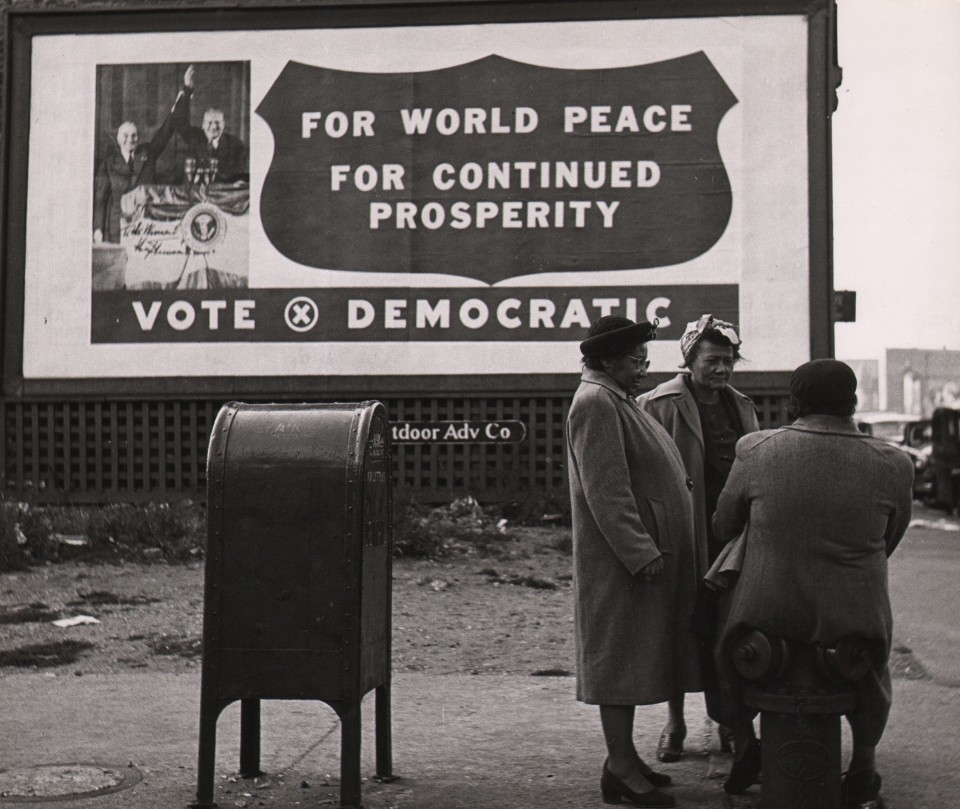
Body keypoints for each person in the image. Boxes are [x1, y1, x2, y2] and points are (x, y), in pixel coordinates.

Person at [710, 359, 913, 804]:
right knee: (872, 672)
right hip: (854, 618)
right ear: (853, 402)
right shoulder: (894, 462)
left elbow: (724, 526)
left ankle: (745, 745)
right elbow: (889, 537)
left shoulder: (756, 450)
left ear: (794, 403)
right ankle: (863, 764)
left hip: (767, 618)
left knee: (723, 644)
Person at [566, 315, 701, 808]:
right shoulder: (596, 403)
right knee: (618, 663)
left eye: (645, 357)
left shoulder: (614, 397)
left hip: (637, 558)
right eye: (634, 359)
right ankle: (620, 767)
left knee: (631, 658)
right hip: (621, 565)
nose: (643, 367)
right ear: (605, 360)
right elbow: (607, 492)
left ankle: (622, 759)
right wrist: (640, 552)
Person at [637, 314, 759, 762]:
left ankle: (728, 720)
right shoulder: (658, 403)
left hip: (730, 536)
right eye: (713, 360)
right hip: (682, 532)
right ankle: (675, 723)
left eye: (728, 360)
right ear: (689, 359)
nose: (722, 369)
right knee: (680, 626)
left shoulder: (741, 406)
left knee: (727, 628)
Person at [93, 65, 194, 244]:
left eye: (134, 136)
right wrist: (98, 229)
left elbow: (167, 130)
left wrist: (185, 90)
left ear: (138, 138)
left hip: (145, 225)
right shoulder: (108, 164)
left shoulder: (147, 153)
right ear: (118, 139)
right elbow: (100, 200)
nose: (130, 139)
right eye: (126, 136)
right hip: (117, 228)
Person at [180, 85, 249, 183]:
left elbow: (240, 173)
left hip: (223, 195)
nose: (213, 127)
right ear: (203, 125)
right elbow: (180, 122)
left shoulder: (236, 145)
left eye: (217, 122)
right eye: (209, 122)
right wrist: (187, 89)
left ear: (224, 125)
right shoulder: (194, 139)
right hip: (195, 194)